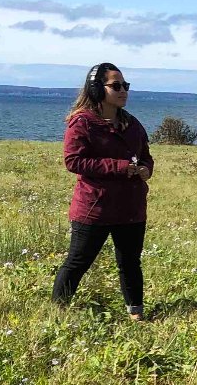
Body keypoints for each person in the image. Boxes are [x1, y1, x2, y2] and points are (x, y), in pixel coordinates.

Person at [53, 62, 154, 321]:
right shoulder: (82, 123)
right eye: (116, 85)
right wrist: (121, 168)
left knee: (130, 262)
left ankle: (136, 313)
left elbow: (145, 156)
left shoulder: (132, 124)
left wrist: (144, 169)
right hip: (94, 207)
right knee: (78, 262)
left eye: (125, 86)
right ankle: (56, 311)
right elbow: (73, 161)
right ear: (98, 89)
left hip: (130, 208)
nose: (123, 91)